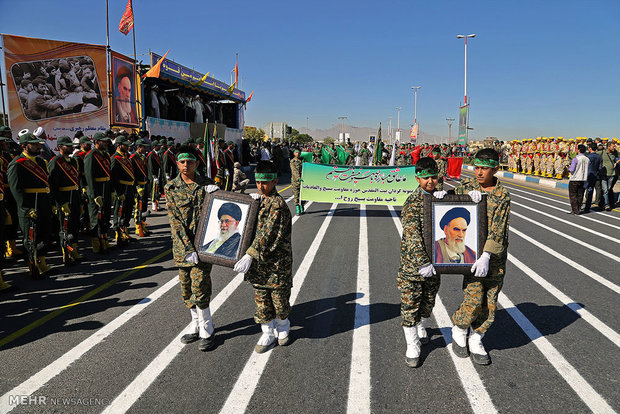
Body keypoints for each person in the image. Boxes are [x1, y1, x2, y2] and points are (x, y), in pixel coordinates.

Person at [450, 148, 510, 365]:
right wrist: (446, 196)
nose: (479, 172)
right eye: (477, 167)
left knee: (490, 300)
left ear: (495, 169)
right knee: (474, 297)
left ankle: (477, 338)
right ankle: (459, 328)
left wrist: (487, 255)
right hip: (471, 255)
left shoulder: (502, 195)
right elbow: (446, 204)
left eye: (484, 168)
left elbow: (499, 228)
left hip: (493, 257)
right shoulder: (467, 187)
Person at [233, 160, 293, 353]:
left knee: (279, 300)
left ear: (275, 181)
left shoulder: (277, 205)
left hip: (276, 264)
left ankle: (283, 327)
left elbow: (268, 235)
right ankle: (267, 332)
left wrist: (250, 254)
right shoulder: (259, 200)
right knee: (261, 300)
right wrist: (248, 204)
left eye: (265, 183)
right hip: (259, 265)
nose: (261, 186)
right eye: (258, 182)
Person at [165, 145, 219, 351]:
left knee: (200, 286)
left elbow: (223, 209)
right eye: (182, 162)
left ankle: (207, 328)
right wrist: (187, 249)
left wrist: (217, 193)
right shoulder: (171, 189)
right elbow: (175, 223)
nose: (186, 165)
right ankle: (195, 324)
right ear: (177, 164)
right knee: (186, 288)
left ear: (197, 163)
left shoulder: (207, 185)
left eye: (190, 161)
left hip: (204, 246)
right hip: (182, 248)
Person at [397, 157, 446, 367]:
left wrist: (467, 199)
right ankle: (412, 344)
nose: (430, 182)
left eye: (434, 177)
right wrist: (422, 262)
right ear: (417, 178)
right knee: (410, 306)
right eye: (425, 178)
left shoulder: (440, 198)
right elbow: (412, 235)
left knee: (428, 302)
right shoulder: (412, 203)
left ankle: (422, 326)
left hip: (436, 264)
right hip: (413, 267)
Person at [7, 133, 54, 277]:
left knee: (44, 233)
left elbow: (47, 183)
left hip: (43, 202)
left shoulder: (41, 162)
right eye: (33, 144)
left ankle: (43, 262)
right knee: (31, 237)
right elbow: (16, 189)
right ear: (24, 146)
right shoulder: (17, 163)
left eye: (37, 144)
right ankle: (32, 265)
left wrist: (50, 202)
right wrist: (26, 208)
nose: (37, 146)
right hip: (30, 205)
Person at [48, 136, 84, 265]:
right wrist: (61, 203)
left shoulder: (73, 161)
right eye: (67, 145)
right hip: (63, 198)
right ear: (60, 147)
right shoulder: (55, 162)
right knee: (65, 228)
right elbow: (53, 186)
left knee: (75, 226)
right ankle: (66, 253)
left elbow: (77, 182)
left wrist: (79, 201)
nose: (70, 147)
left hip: (74, 196)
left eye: (71, 145)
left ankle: (74, 250)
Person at [84, 132, 113, 253]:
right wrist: (94, 195)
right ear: (96, 142)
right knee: (96, 218)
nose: (105, 143)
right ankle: (96, 244)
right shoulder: (91, 156)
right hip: (97, 189)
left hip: (105, 187)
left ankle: (105, 240)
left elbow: (108, 173)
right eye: (103, 141)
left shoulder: (105, 155)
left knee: (105, 216)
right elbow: (89, 177)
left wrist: (110, 190)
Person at [110, 135, 135, 245]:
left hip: (129, 188)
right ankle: (118, 235)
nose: (127, 147)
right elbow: (113, 177)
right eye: (125, 145)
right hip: (121, 188)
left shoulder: (126, 157)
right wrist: (118, 192)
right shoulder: (115, 159)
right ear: (119, 146)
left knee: (127, 211)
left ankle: (125, 231)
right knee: (119, 212)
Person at [130, 139, 150, 236]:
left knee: (144, 206)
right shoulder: (133, 158)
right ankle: (138, 227)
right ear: (138, 147)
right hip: (138, 186)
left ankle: (143, 224)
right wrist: (137, 187)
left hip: (144, 184)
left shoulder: (142, 157)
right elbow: (132, 174)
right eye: (144, 147)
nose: (145, 149)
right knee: (138, 207)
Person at [568, 144, 589, 214]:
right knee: (580, 195)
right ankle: (578, 208)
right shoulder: (587, 159)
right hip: (583, 179)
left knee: (573, 195)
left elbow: (572, 169)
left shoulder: (576, 159)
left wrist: (568, 168)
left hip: (575, 178)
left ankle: (575, 210)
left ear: (578, 150)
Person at [598, 141, 617, 211]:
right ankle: (607, 205)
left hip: (612, 174)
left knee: (608, 190)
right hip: (603, 174)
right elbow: (594, 155)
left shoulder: (615, 153)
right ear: (608, 146)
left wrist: (616, 162)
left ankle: (602, 203)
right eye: (613, 146)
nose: (614, 148)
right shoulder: (602, 153)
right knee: (605, 190)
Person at [584, 143, 602, 212]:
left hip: (587, 175)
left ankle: (579, 206)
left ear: (590, 148)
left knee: (583, 190)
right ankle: (587, 207)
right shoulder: (599, 157)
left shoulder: (588, 157)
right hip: (595, 175)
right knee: (590, 191)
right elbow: (600, 168)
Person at [290, 149, 304, 215]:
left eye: (299, 152)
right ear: (294, 153)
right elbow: (294, 171)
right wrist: (298, 178)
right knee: (296, 194)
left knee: (303, 194)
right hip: (295, 181)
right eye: (296, 152)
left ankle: (302, 206)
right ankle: (297, 209)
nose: (298, 154)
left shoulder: (303, 161)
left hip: (303, 180)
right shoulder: (292, 161)